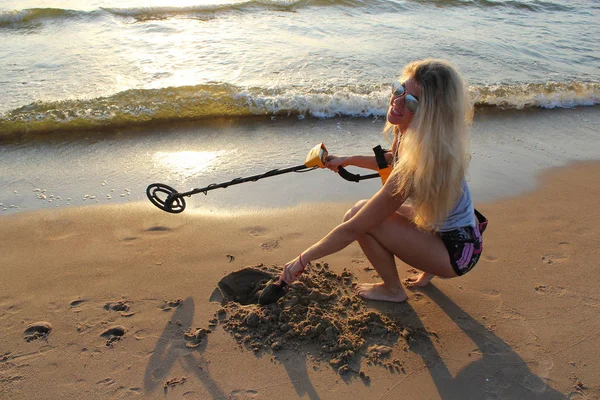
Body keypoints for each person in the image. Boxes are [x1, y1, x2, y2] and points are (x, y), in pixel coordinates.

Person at [281, 59, 486, 303]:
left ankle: (393, 290)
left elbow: (353, 229)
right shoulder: (416, 135)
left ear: (429, 115)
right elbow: (391, 159)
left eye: (411, 101)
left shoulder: (415, 167)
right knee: (371, 213)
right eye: (400, 89)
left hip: (457, 253)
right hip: (454, 228)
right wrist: (347, 159)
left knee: (357, 215)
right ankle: (428, 266)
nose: (397, 101)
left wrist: (302, 259)